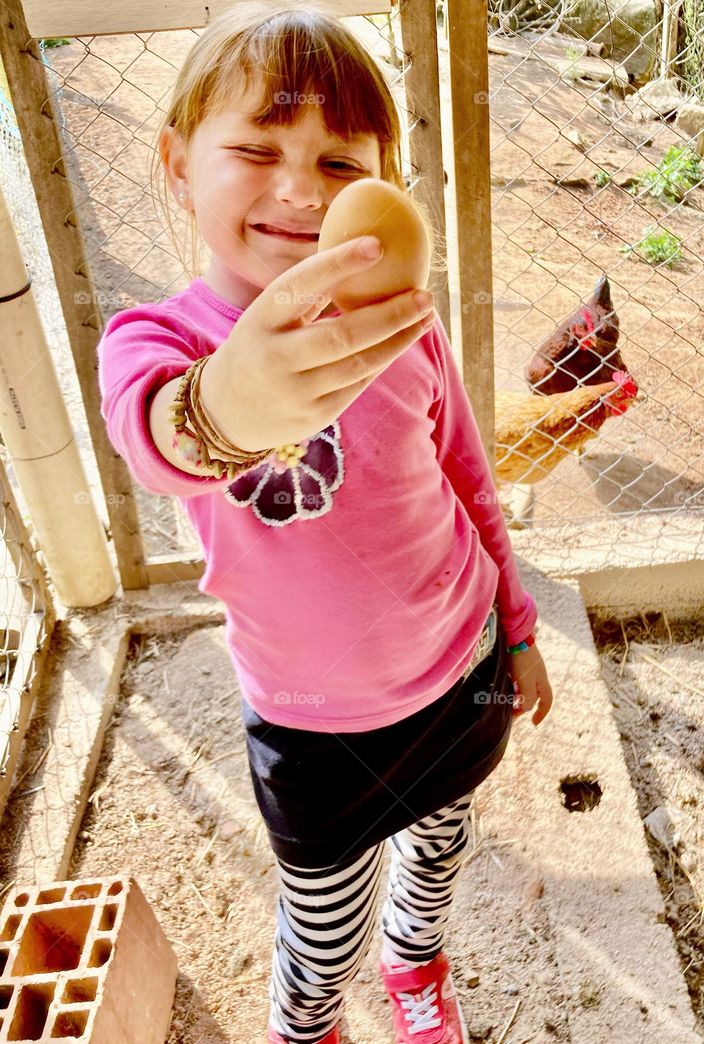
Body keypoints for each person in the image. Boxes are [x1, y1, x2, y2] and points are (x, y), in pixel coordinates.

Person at [96, 4, 554, 1043]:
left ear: (385, 182)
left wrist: (517, 629)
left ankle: (417, 971)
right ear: (177, 165)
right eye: (257, 148)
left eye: (341, 161)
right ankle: (308, 1029)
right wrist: (227, 410)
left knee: (439, 848)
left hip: (460, 665)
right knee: (321, 925)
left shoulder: (405, 322)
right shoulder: (157, 341)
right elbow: (156, 435)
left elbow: (468, 477)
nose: (301, 188)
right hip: (314, 726)